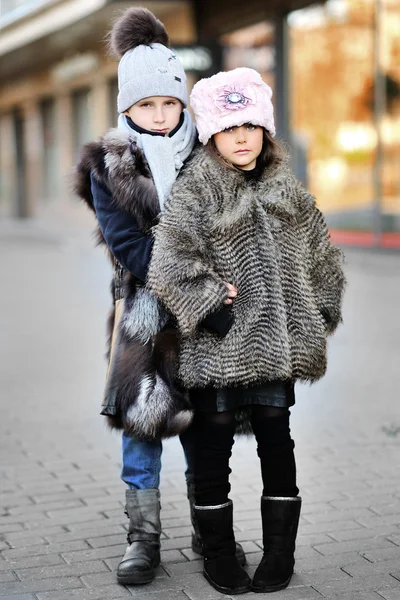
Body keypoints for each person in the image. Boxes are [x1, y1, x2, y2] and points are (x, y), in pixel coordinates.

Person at [147, 67, 346, 595]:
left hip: (278, 347)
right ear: (212, 133)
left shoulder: (288, 188)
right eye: (229, 127)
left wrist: (318, 313)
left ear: (265, 130)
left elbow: (323, 257)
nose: (241, 137)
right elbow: (168, 260)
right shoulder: (197, 189)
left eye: (250, 126)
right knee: (213, 449)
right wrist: (211, 306)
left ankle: (280, 554)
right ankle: (218, 554)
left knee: (276, 439)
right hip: (218, 347)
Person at [73, 7, 245, 588]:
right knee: (143, 429)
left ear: (182, 101)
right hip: (144, 314)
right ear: (127, 109)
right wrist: (197, 285)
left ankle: (206, 526)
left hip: (203, 320)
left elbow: (231, 229)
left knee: (203, 426)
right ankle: (142, 539)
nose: (160, 114)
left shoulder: (208, 152)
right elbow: (130, 248)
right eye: (146, 105)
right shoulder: (109, 164)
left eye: (169, 103)